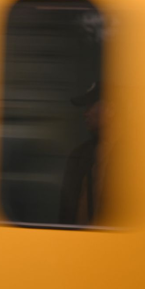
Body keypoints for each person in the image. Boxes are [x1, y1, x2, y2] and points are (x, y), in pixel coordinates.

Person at [59, 81, 103, 225]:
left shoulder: (132, 158)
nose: (85, 113)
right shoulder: (80, 155)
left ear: (110, 109)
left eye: (90, 106)